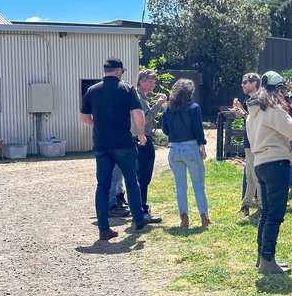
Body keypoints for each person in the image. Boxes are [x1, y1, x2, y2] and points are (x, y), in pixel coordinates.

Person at [246, 71, 292, 274]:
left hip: (260, 163)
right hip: (276, 164)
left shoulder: (253, 112)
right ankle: (268, 259)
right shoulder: (274, 110)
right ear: (278, 90)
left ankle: (263, 257)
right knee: (275, 214)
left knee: (266, 212)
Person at [80, 57, 150, 241]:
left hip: (102, 144)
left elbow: (85, 118)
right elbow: (137, 113)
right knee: (131, 180)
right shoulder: (126, 89)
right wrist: (141, 133)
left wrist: (99, 125)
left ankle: (104, 228)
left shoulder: (92, 91)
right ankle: (138, 218)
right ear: (119, 71)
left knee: (103, 186)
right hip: (123, 143)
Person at [162, 79, 210, 228]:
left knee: (180, 186)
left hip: (174, 149)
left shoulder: (168, 109)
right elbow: (198, 130)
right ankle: (204, 217)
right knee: (198, 185)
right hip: (190, 147)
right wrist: (202, 145)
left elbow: (165, 130)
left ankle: (184, 217)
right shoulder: (194, 107)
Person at [131, 69, 166, 223]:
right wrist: (158, 105)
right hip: (142, 138)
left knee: (141, 175)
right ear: (141, 81)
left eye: (154, 81)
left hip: (140, 138)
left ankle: (140, 208)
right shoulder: (138, 97)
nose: (154, 84)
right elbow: (146, 117)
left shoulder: (141, 96)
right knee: (143, 175)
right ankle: (141, 210)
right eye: (150, 81)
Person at [233, 72, 262, 219]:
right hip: (248, 142)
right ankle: (246, 204)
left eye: (245, 82)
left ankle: (261, 207)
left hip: (257, 142)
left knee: (257, 176)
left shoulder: (260, 99)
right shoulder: (248, 100)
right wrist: (239, 110)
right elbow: (245, 118)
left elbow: (257, 120)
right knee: (249, 175)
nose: (242, 85)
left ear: (254, 84)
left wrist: (243, 113)